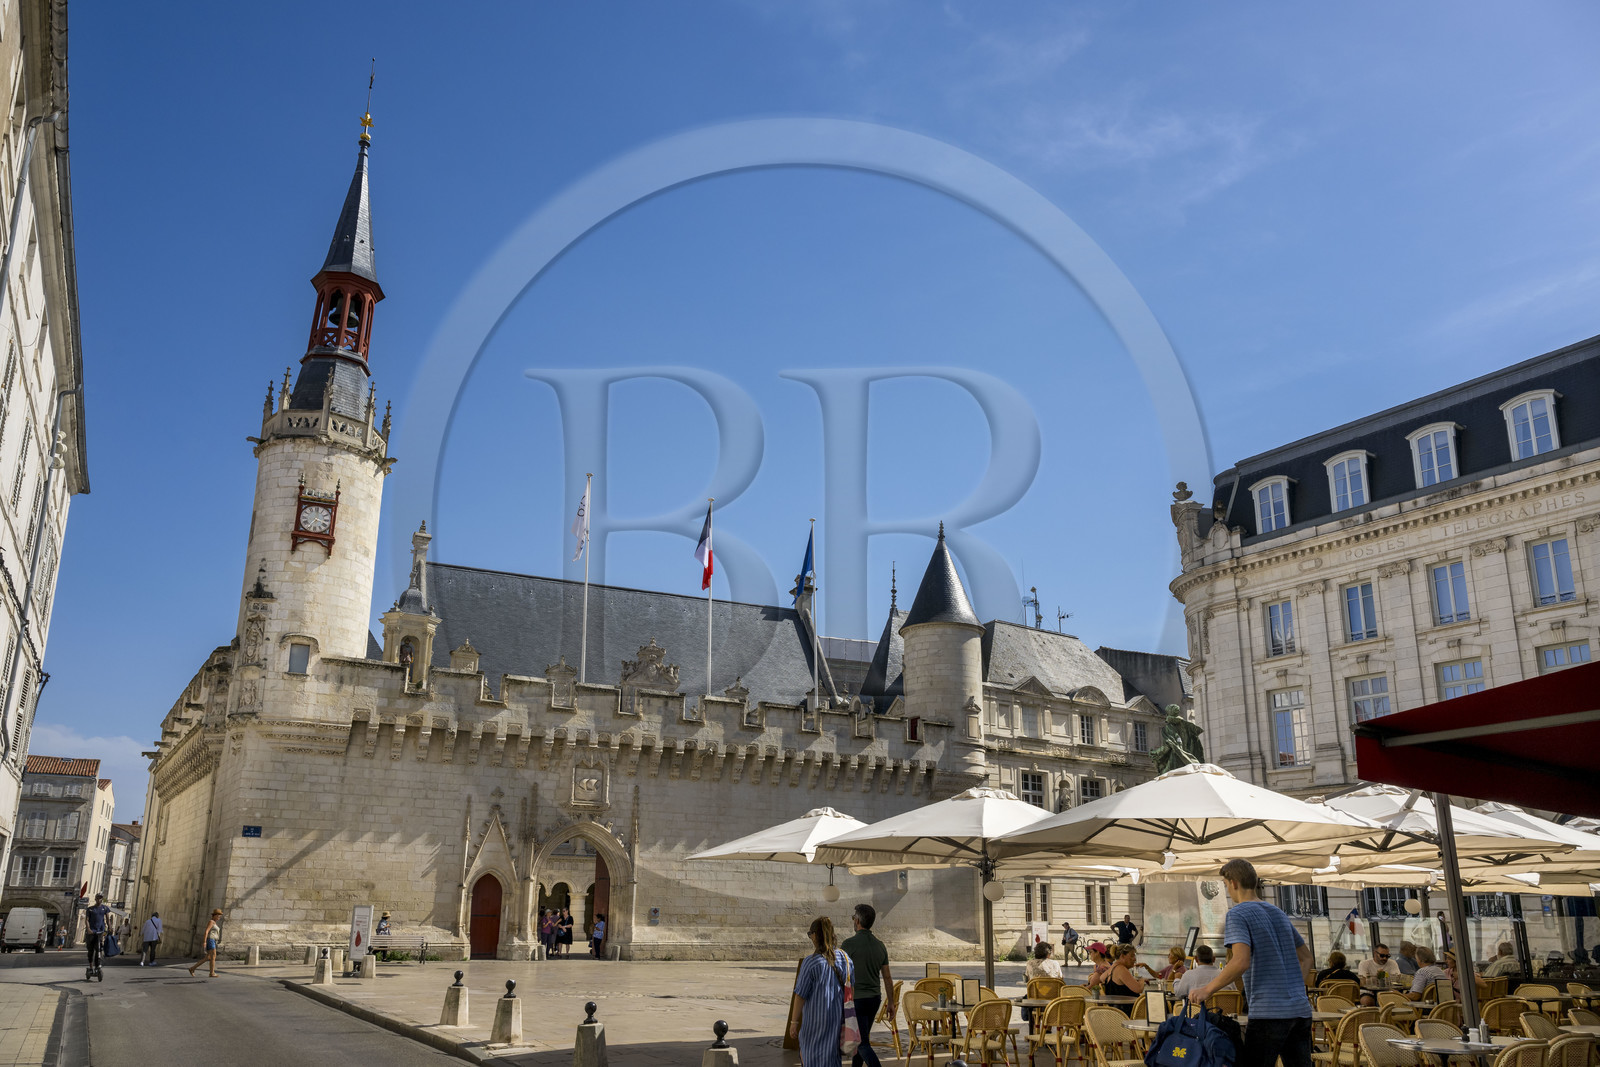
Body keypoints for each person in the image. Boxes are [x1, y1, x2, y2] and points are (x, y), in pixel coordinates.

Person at [1188, 859, 1314, 1067]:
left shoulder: (1237, 914)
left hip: (1269, 1011)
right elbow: (1307, 957)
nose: (1228, 890)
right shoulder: (1279, 913)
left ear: (1234, 883)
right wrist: (1293, 987)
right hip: (1299, 1009)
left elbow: (1240, 961)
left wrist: (1207, 990)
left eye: (1226, 884)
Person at [794, 915, 853, 1067]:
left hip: (815, 1022)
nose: (810, 937)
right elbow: (851, 989)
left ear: (815, 935)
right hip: (837, 1019)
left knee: (811, 1058)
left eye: (810, 934)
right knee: (832, 1058)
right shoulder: (846, 958)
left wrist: (793, 1022)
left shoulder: (811, 962)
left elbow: (800, 995)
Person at [841, 903, 893, 1067]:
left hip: (857, 1000)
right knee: (862, 1038)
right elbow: (887, 977)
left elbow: (840, 974)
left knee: (861, 1043)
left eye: (853, 918)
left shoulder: (848, 944)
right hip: (874, 999)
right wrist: (891, 1002)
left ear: (857, 920)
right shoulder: (880, 945)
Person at [189, 908, 222, 978]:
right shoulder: (211, 922)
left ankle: (192, 968)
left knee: (208, 957)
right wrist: (204, 942)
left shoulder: (214, 922)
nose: (219, 917)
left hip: (213, 940)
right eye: (218, 915)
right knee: (213, 957)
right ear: (215, 915)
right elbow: (206, 931)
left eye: (220, 916)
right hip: (211, 940)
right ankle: (212, 973)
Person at [84, 894, 111, 970]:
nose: (99, 900)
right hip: (91, 932)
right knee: (90, 950)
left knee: (98, 949)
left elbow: (108, 919)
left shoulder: (105, 908)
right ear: (95, 899)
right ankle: (90, 965)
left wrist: (110, 928)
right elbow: (87, 920)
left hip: (100, 931)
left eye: (101, 898)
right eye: (98, 898)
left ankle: (97, 965)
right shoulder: (90, 909)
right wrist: (88, 929)